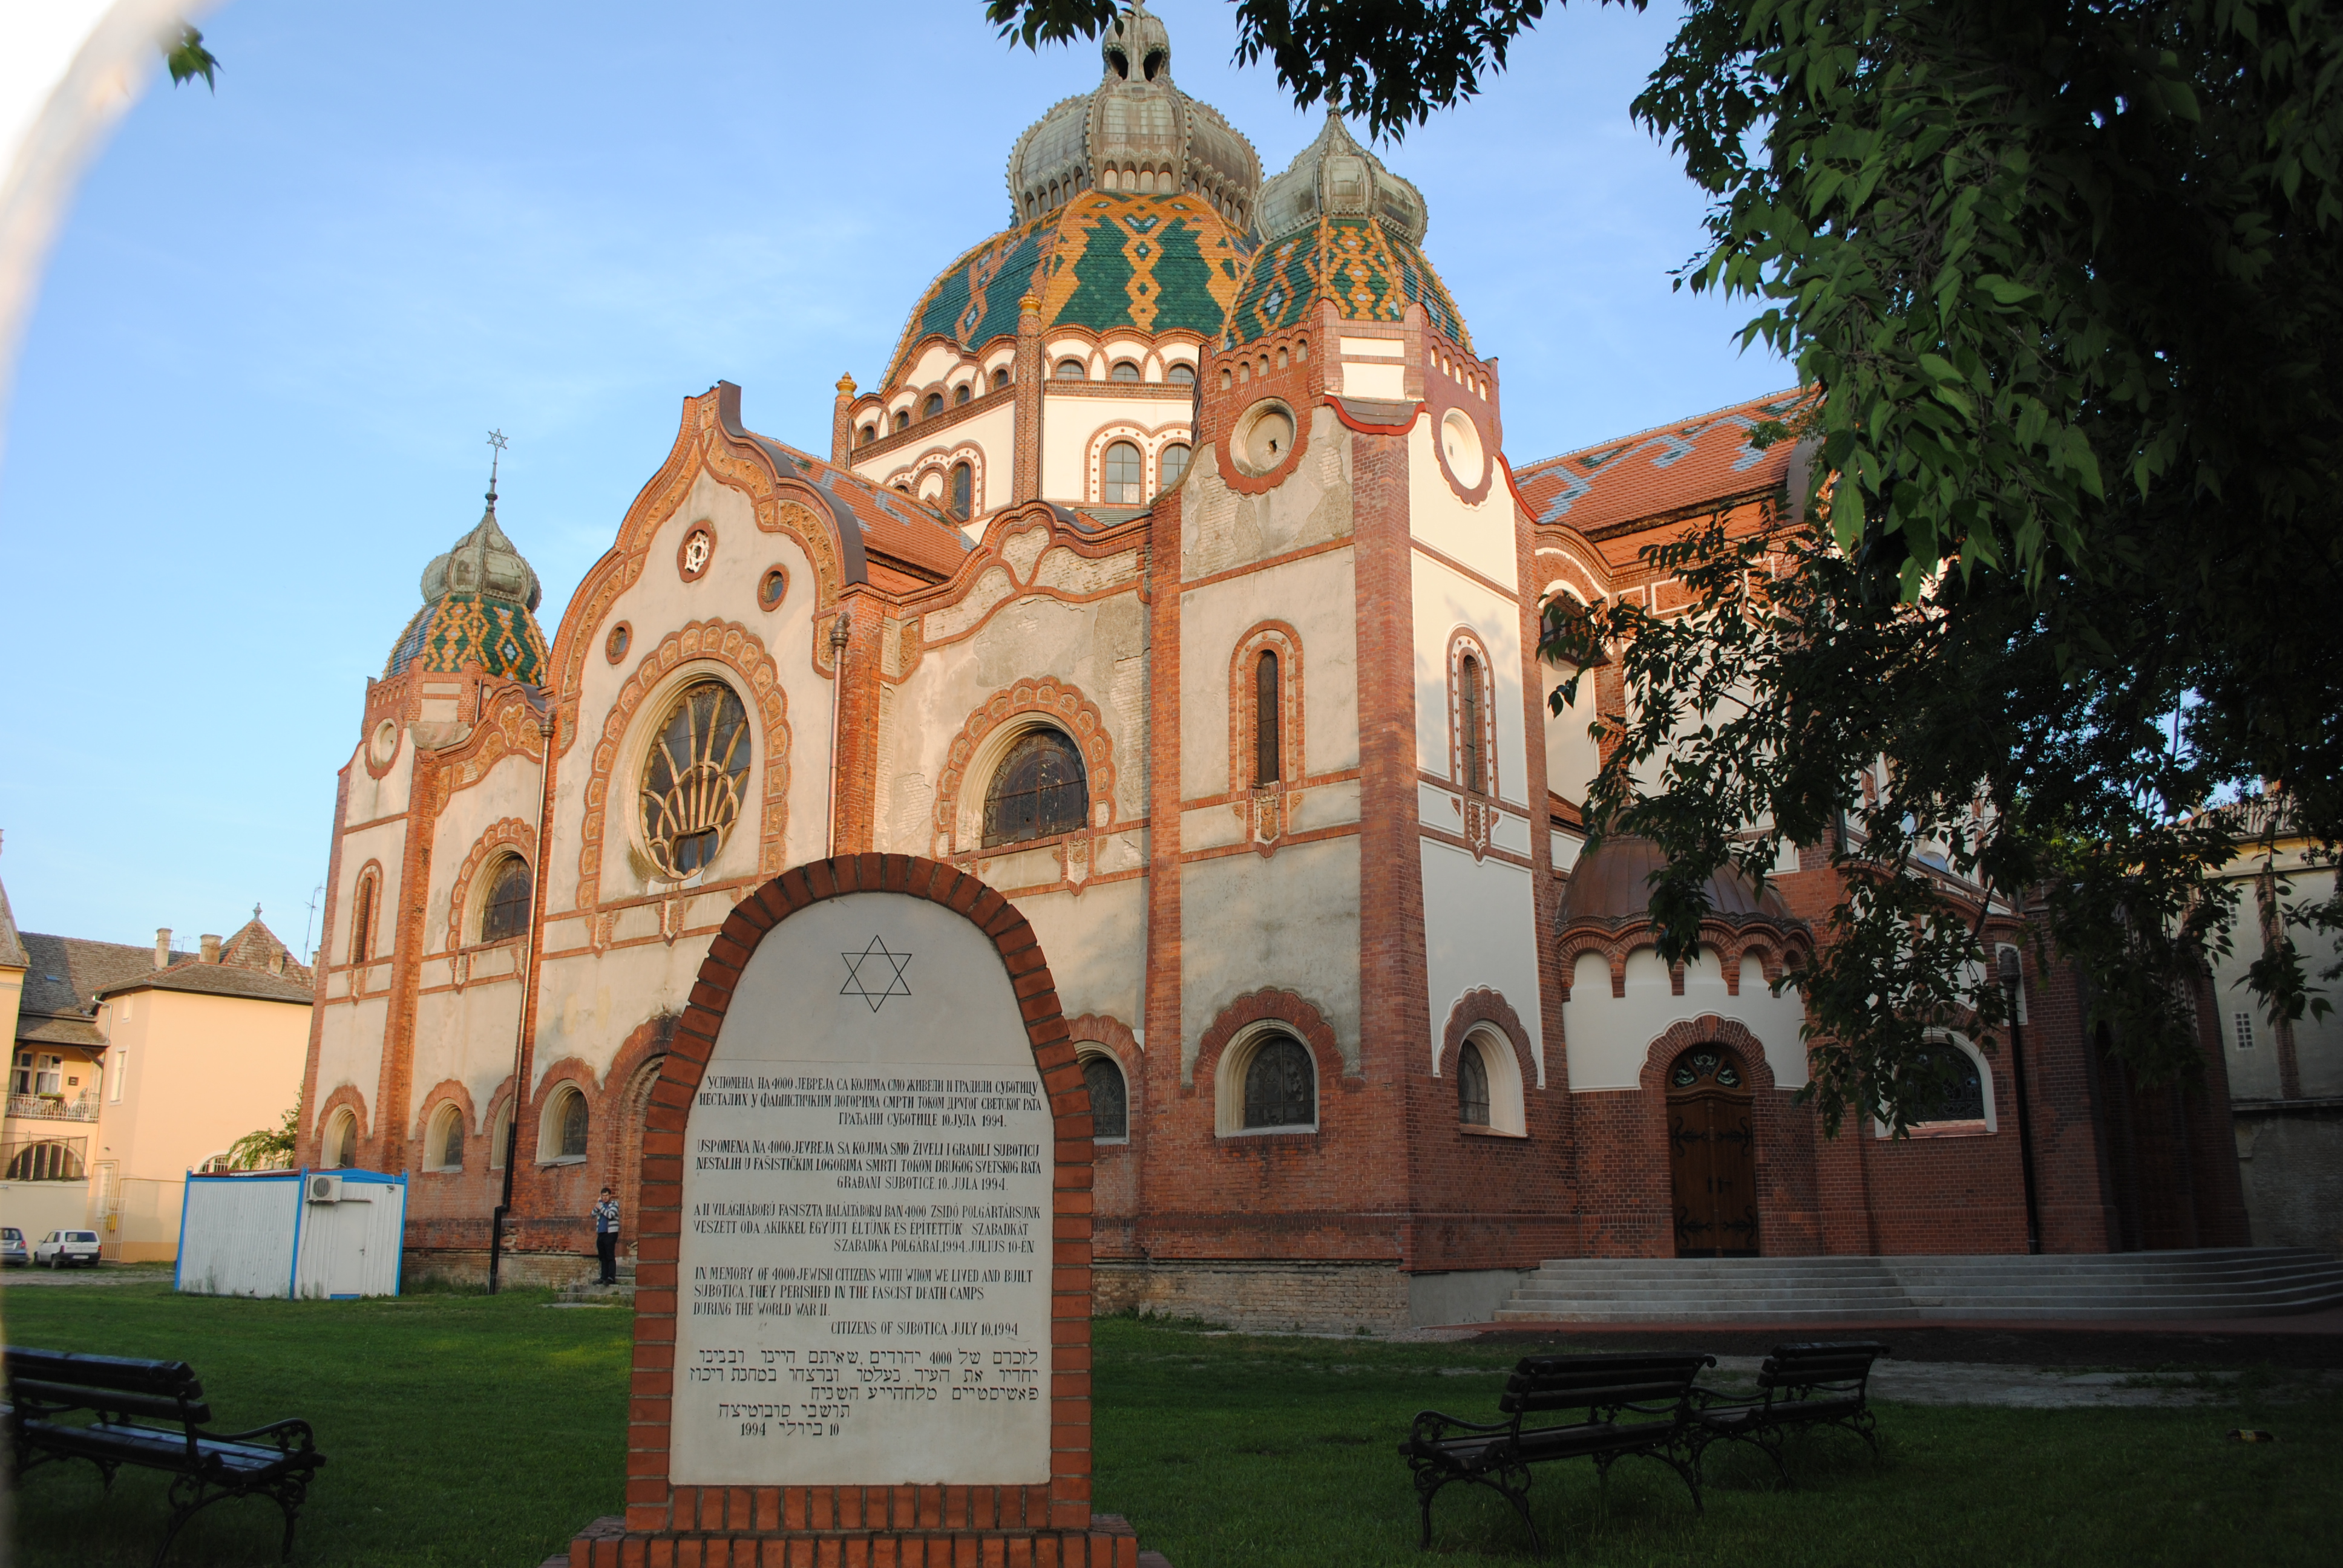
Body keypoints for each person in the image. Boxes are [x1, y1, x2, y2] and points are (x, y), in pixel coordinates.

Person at [591, 1186, 620, 1285]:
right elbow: (593, 1214)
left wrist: (601, 1207)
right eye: (603, 1196)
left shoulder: (614, 1204)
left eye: (607, 1195)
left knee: (610, 1255)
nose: (605, 1198)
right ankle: (603, 1277)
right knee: (602, 1256)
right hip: (602, 1233)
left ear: (610, 1195)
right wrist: (598, 1205)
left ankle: (611, 1277)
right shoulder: (601, 1205)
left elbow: (610, 1215)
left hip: (611, 1233)